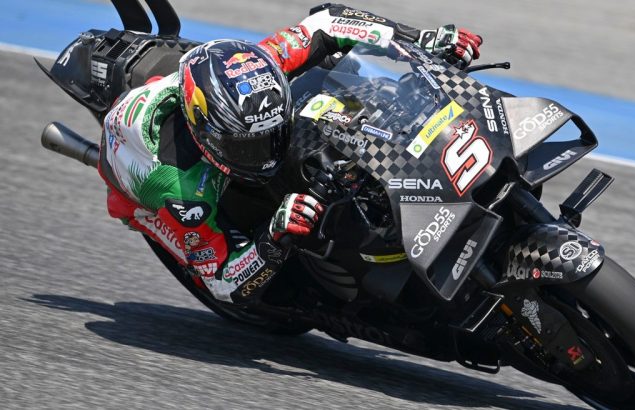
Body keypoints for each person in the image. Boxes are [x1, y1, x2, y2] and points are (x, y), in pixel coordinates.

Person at [98, 4, 483, 304]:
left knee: (335, 71)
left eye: (273, 135)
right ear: (207, 136)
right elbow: (221, 281)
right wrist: (272, 236)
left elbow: (327, 23)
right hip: (140, 183)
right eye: (249, 146)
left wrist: (418, 39)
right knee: (275, 283)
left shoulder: (259, 64)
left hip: (196, 94)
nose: (267, 153)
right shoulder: (177, 189)